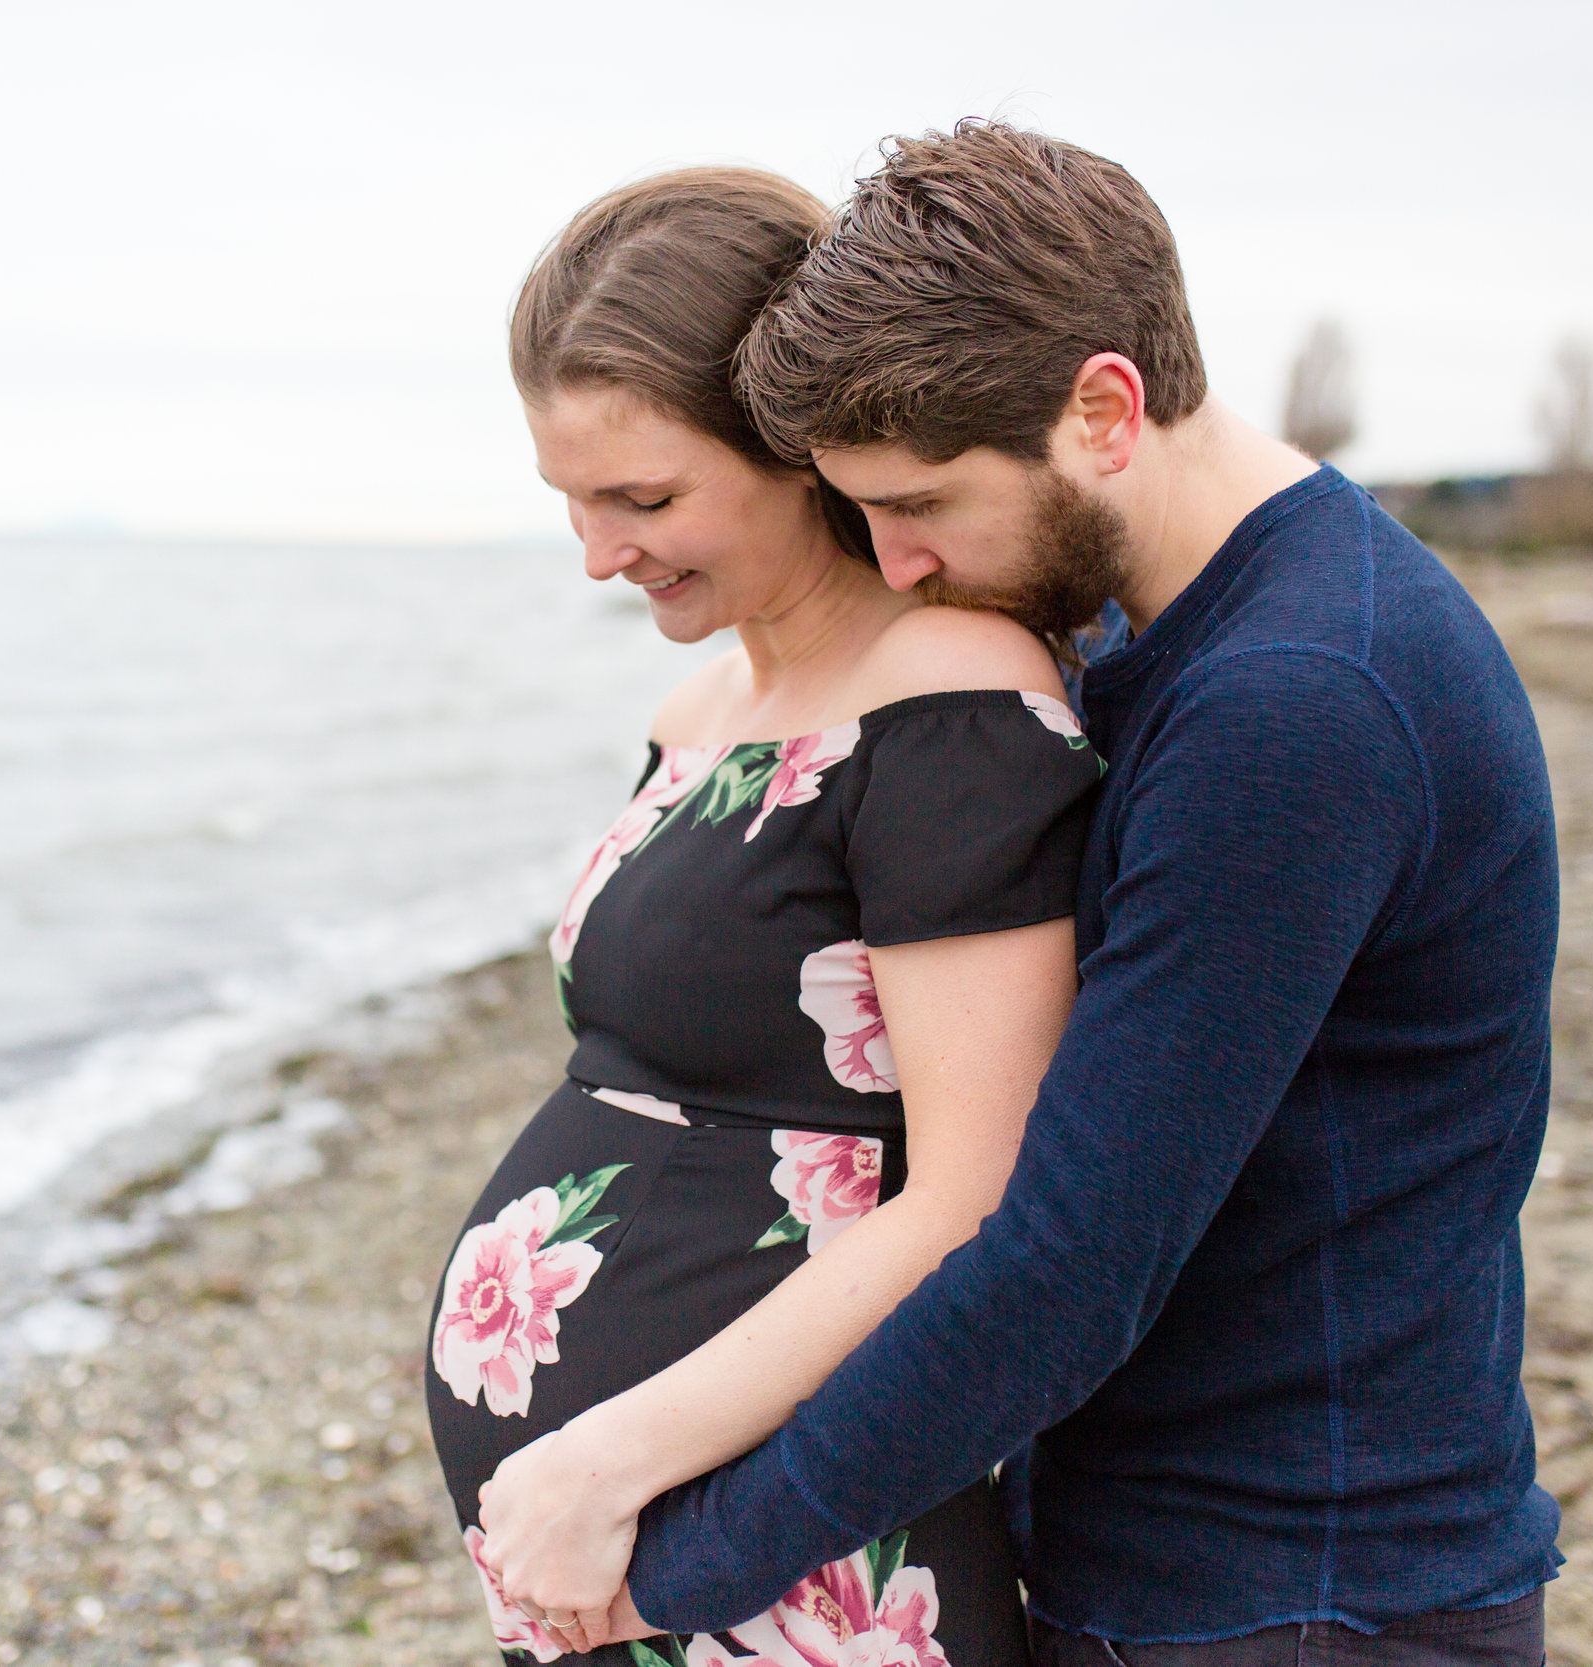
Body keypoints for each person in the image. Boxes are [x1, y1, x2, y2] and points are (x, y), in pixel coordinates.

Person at [484, 122, 1564, 1667]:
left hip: (1297, 1592)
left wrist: (683, 1563)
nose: (903, 567)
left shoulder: (1302, 700)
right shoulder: (1169, 636)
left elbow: (1070, 1258)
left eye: (923, 504)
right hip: (1190, 1558)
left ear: (1104, 409)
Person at [424, 165, 1107, 1666]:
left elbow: (979, 1196)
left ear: (801, 451)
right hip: (614, 1542)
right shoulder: (698, 710)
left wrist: (603, 1463)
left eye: (645, 499)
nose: (602, 556)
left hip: (785, 1544)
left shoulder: (951, 698)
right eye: (573, 506)